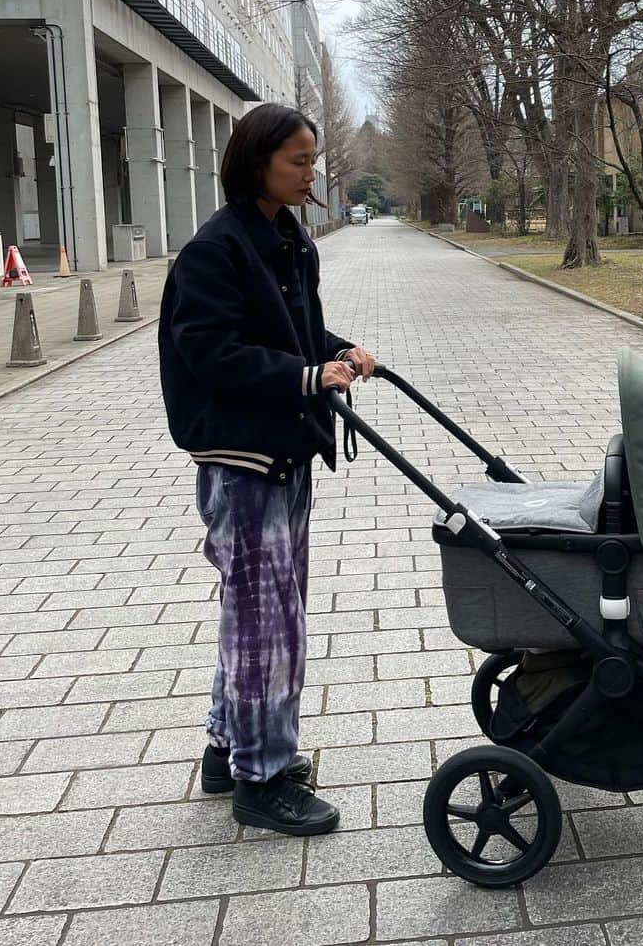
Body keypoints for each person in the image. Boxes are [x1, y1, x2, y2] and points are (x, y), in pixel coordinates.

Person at [158, 103, 376, 837]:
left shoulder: (287, 238)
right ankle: (262, 778)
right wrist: (308, 377)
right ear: (257, 161)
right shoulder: (215, 250)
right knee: (266, 624)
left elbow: (297, 334)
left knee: (262, 617)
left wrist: (340, 354)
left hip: (285, 449)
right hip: (241, 460)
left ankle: (230, 749)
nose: (310, 172)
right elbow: (209, 354)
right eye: (299, 161)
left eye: (313, 160)